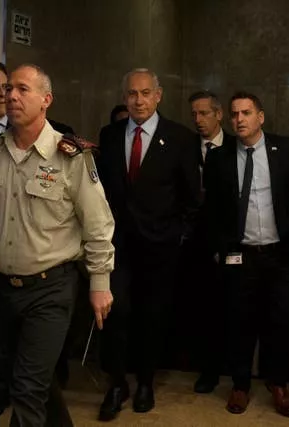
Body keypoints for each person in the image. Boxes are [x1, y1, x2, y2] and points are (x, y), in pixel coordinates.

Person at [0, 64, 115, 427]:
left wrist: (99, 283)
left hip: (51, 289)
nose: (11, 95)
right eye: (9, 89)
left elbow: (98, 225)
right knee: (29, 381)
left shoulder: (71, 157)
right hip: (2, 290)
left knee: (27, 388)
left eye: (22, 89)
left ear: (46, 100)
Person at [203, 91, 289, 417]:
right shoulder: (219, 158)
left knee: (283, 323)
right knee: (240, 323)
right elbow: (211, 211)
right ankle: (241, 386)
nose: (239, 119)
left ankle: (279, 385)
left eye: (246, 113)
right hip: (240, 257)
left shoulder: (288, 149)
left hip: (283, 255)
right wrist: (219, 249)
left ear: (260, 117)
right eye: (234, 114)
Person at [96, 68, 201, 420]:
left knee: (152, 317)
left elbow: (192, 196)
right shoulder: (109, 136)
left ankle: (145, 383)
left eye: (145, 93)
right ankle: (116, 383)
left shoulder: (181, 138)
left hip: (161, 247)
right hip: (117, 247)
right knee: (115, 313)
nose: (138, 100)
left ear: (158, 96)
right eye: (131, 94)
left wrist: (177, 234)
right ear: (124, 97)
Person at [185, 90, 236, 393]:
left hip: (226, 242)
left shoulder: (235, 148)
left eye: (204, 113)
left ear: (219, 115)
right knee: (197, 309)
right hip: (192, 242)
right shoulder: (185, 147)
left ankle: (227, 369)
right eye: (194, 114)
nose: (198, 120)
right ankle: (202, 367)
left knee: (226, 310)